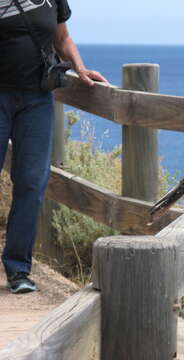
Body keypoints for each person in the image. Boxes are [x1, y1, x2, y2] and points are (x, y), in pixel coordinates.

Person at [0, 0, 107, 293]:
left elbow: (61, 38)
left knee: (32, 182)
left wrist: (81, 68)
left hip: (37, 98)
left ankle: (18, 269)